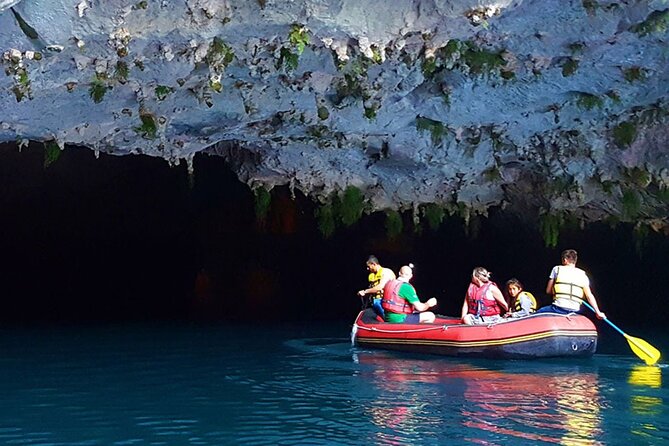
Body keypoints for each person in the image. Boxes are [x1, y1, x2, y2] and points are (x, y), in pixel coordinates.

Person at [536, 249, 606, 319]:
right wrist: (598, 312)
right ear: (575, 261)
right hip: (576, 310)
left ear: (565, 260)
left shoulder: (556, 269)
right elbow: (589, 296)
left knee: (537, 313)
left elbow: (548, 291)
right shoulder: (582, 274)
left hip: (558, 308)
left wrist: (558, 291)